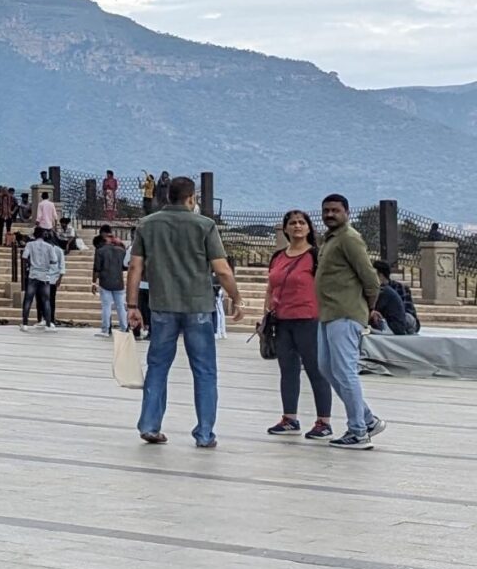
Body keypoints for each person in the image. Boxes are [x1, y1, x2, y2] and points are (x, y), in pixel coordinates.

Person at [125, 175, 242, 448]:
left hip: (162, 306)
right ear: (192, 198)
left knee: (157, 367)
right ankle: (204, 433)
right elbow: (222, 269)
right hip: (198, 306)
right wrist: (236, 298)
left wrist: (132, 306)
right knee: (204, 371)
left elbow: (134, 267)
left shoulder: (147, 225)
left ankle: (150, 425)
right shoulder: (205, 225)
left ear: (167, 197)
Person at [312, 195, 386, 451]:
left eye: (335, 210)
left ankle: (358, 432)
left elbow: (371, 279)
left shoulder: (350, 239)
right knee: (327, 368)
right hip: (328, 314)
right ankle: (367, 419)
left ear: (347, 212)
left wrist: (368, 307)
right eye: (326, 210)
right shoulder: (329, 239)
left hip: (346, 314)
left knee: (344, 371)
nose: (330, 214)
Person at [264, 210, 330, 440]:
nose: (297, 226)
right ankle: (289, 418)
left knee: (315, 370)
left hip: (308, 319)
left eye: (302, 222)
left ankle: (324, 421)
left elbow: (326, 285)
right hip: (282, 320)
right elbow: (270, 287)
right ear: (285, 228)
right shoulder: (278, 257)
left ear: (309, 228)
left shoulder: (315, 256)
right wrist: (266, 314)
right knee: (287, 370)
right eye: (292, 223)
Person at [21, 227, 64, 329]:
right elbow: (54, 261)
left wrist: (31, 263)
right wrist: (46, 264)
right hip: (45, 275)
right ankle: (48, 324)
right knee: (46, 300)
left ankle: (25, 323)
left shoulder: (30, 245)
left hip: (33, 274)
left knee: (28, 299)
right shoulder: (49, 247)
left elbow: (24, 257)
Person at [93, 228, 129, 335]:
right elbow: (125, 266)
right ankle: (124, 327)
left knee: (106, 306)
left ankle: (105, 329)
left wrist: (94, 283)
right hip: (119, 282)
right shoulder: (121, 251)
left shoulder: (100, 251)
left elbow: (96, 269)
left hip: (105, 282)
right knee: (121, 306)